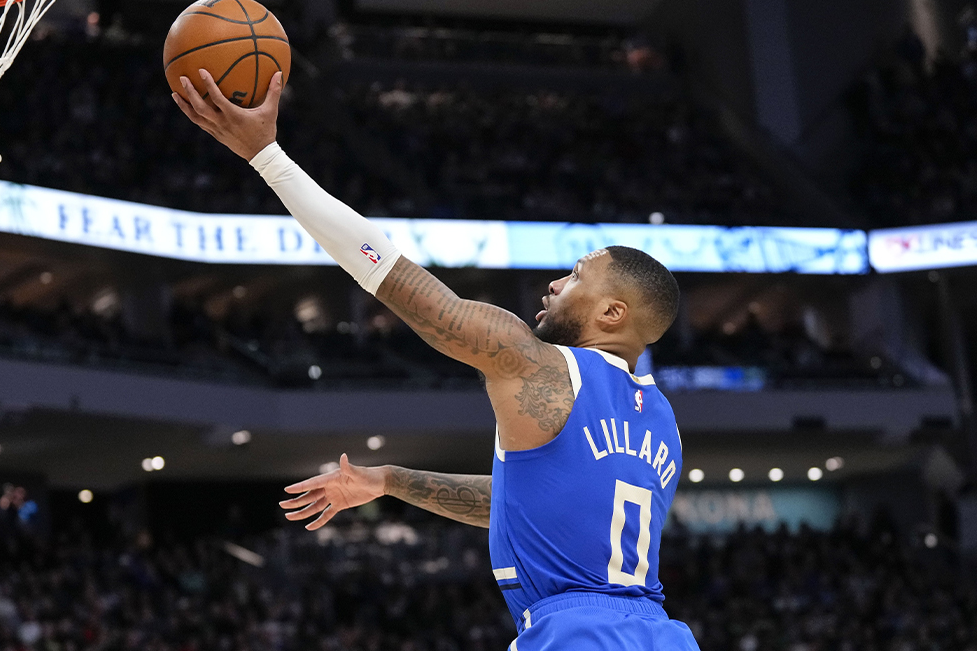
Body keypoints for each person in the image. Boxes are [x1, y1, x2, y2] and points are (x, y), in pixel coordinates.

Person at [173, 70, 700, 651]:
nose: (554, 284)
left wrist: (267, 157)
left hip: (578, 634)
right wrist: (393, 481)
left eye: (575, 277)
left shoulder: (540, 364)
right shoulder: (663, 423)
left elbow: (393, 277)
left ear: (612, 314)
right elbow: (526, 504)